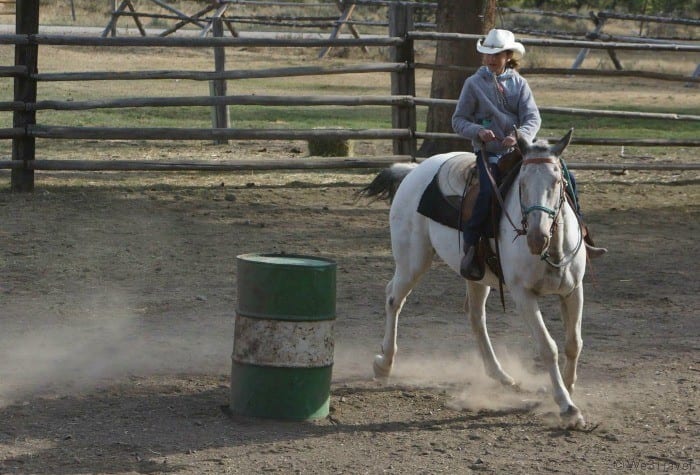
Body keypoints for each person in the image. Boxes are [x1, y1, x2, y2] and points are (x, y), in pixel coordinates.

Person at [452, 28, 541, 280]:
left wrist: (520, 135)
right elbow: (458, 120)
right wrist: (478, 131)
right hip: (488, 153)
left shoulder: (520, 84)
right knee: (488, 191)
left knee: (557, 177)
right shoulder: (473, 84)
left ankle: (583, 234)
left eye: (497, 54)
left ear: (508, 56)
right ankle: (471, 244)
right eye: (487, 54)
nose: (491, 59)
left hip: (517, 151)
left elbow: (532, 118)